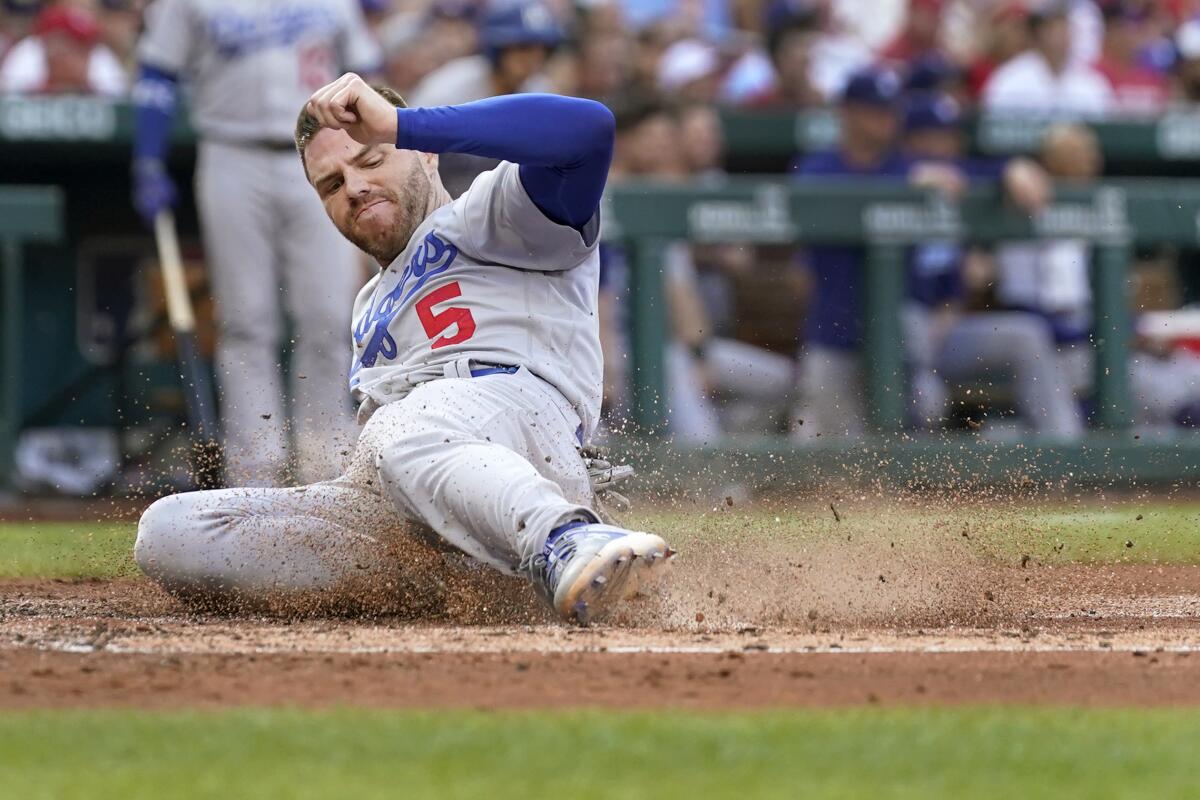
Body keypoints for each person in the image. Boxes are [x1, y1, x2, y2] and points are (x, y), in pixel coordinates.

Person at [134, 74, 674, 625]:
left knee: (402, 431)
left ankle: (566, 538)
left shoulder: (495, 213)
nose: (354, 188)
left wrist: (401, 124)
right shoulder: (367, 303)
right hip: (409, 486)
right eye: (331, 184)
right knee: (171, 530)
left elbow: (588, 129)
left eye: (371, 161)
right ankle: (468, 588)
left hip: (517, 421)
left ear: (428, 156)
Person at [131, 0, 383, 487]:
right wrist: (148, 157)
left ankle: (326, 465)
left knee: (329, 316)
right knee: (245, 320)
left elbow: (366, 75)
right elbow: (157, 73)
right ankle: (255, 470)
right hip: (232, 152)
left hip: (323, 154)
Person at [408, 0, 560, 196]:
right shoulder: (449, 89)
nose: (533, 58)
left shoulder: (541, 94)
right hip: (440, 204)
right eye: (523, 47)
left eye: (542, 50)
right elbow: (409, 158)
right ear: (497, 46)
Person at [982, 0, 1112, 117]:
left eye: (1066, 26)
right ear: (1039, 32)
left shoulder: (1090, 83)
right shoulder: (1011, 78)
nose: (1062, 34)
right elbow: (994, 130)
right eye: (1054, 27)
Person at [0, 4, 126, 96]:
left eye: (85, 48)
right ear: (52, 48)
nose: (86, 56)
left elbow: (117, 99)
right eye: (76, 47)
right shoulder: (27, 56)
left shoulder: (101, 57)